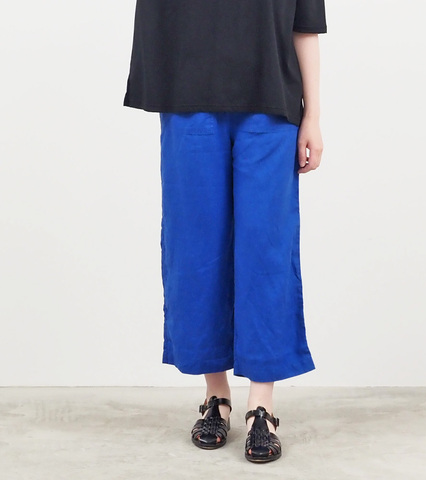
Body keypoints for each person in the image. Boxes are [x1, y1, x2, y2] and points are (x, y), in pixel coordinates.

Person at [123, 0, 327, 463]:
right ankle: (216, 396)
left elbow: (305, 24)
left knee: (266, 250)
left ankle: (262, 406)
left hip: (271, 102)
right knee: (195, 250)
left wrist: (313, 116)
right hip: (188, 96)